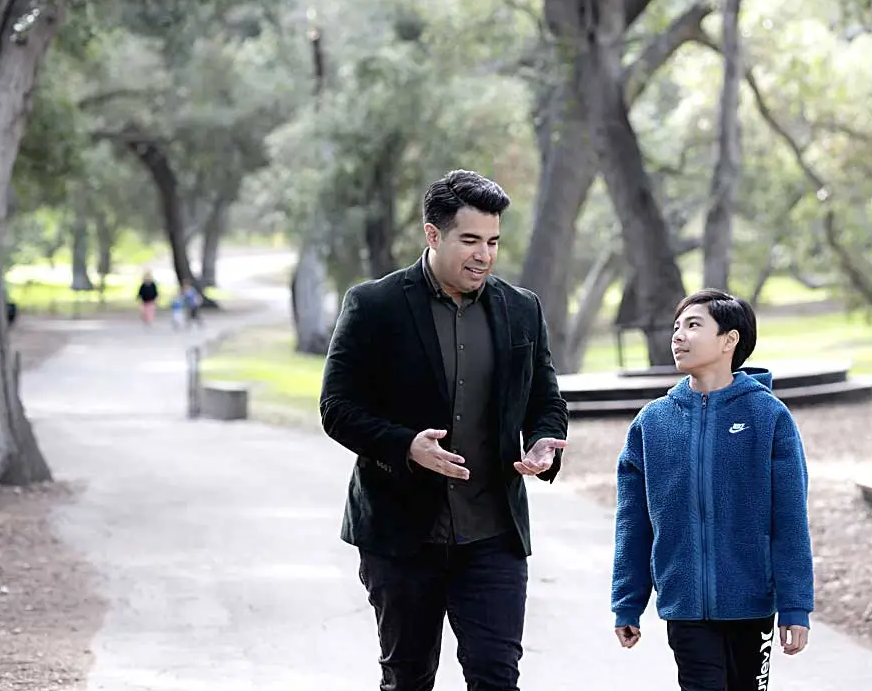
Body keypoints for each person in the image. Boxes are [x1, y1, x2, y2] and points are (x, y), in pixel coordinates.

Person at [320, 169, 569, 691]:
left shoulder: (522, 309)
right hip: (402, 534)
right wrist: (406, 446)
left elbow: (546, 400)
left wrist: (545, 440)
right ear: (433, 235)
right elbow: (337, 407)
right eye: (471, 240)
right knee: (408, 679)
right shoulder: (375, 306)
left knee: (497, 679)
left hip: (493, 534)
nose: (484, 255)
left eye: (494, 242)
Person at [611, 289, 814, 691]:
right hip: (685, 605)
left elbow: (789, 519)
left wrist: (795, 605)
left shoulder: (768, 416)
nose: (678, 336)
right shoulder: (653, 423)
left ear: (729, 340)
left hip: (752, 604)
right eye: (676, 327)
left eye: (693, 325)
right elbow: (633, 523)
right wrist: (628, 601)